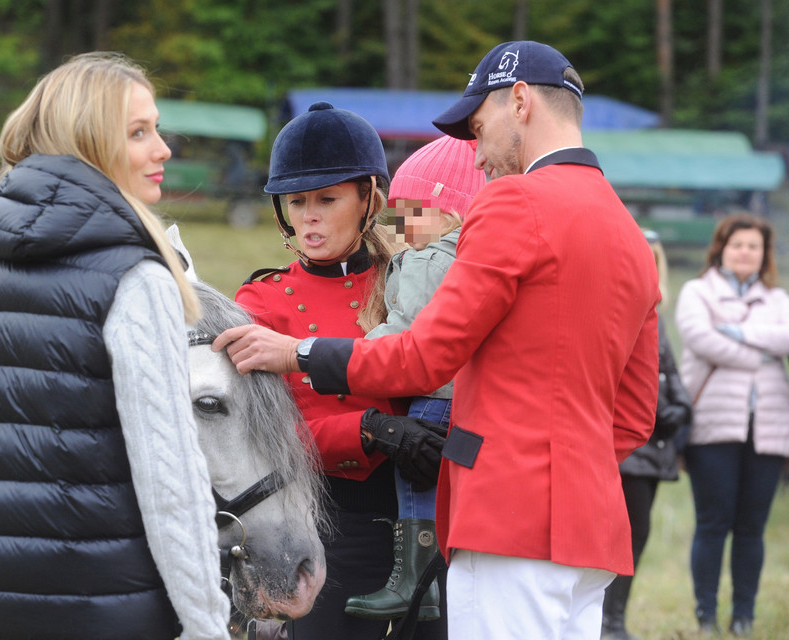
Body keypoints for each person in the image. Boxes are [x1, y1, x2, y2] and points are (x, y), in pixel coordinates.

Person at [214, 40, 660, 640]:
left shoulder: (510, 202)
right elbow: (633, 418)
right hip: (590, 528)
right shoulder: (627, 229)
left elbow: (426, 355)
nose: (475, 155)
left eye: (478, 129)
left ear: (520, 102)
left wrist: (297, 352)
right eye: (299, 202)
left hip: (502, 519)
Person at [0, 52, 230, 640]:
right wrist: (207, 625)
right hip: (109, 614)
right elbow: (171, 481)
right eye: (139, 132)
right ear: (91, 144)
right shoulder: (134, 280)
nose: (163, 149)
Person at [233, 101, 448, 639]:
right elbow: (266, 437)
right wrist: (372, 430)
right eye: (297, 201)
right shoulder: (262, 300)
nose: (309, 215)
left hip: (429, 516)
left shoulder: (410, 278)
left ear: (368, 199)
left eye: (327, 199)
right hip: (330, 523)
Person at [344, 134, 487, 621]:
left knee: (415, 482)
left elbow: (412, 328)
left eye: (411, 212)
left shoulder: (431, 257)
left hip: (433, 395)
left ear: (448, 211)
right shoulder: (474, 257)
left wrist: (354, 354)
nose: (399, 226)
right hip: (465, 395)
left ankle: (413, 581)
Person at [674, 212, 789, 637]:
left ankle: (744, 616)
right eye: (738, 244)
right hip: (712, 429)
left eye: (754, 247)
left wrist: (737, 334)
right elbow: (700, 338)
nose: (745, 252)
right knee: (713, 523)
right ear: (721, 248)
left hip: (769, 429)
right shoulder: (696, 291)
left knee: (751, 527)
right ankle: (706, 615)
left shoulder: (777, 299)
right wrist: (759, 351)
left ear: (764, 255)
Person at [601, 230, 693, 640]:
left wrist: (677, 409)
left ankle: (614, 621)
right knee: (612, 538)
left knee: (637, 536)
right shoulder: (607, 313)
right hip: (619, 449)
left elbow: (672, 382)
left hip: (649, 452)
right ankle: (601, 621)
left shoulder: (656, 323)